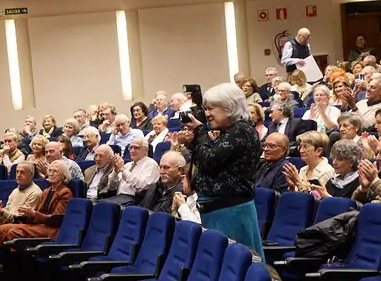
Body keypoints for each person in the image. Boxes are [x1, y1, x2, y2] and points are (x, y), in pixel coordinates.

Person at [173, 82, 265, 257]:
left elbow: (209, 161)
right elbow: (207, 162)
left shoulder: (241, 131)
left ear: (229, 107)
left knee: (236, 268)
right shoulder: (228, 132)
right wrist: (196, 139)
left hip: (231, 213)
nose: (207, 114)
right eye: (206, 109)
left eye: (211, 109)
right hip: (217, 212)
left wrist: (200, 132)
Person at [0, 162, 43, 281]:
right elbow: (8, 211)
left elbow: (20, 218)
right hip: (9, 221)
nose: (18, 175)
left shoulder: (35, 192)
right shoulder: (15, 190)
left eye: (22, 172)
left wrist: (2, 212)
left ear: (31, 175)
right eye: (17, 172)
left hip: (23, 224)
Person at [101, 138, 159, 205]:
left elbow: (142, 186)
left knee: (104, 207)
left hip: (134, 200)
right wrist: (115, 172)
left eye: (136, 148)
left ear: (146, 150)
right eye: (130, 148)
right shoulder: (128, 165)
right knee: (98, 205)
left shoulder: (151, 164)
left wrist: (123, 170)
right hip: (118, 198)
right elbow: (112, 187)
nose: (132, 150)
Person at [283, 130, 334, 197]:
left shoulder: (327, 171)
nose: (301, 151)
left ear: (318, 151)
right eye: (300, 146)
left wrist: (298, 182)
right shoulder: (302, 169)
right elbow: (298, 196)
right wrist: (292, 186)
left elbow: (317, 199)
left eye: (305, 147)